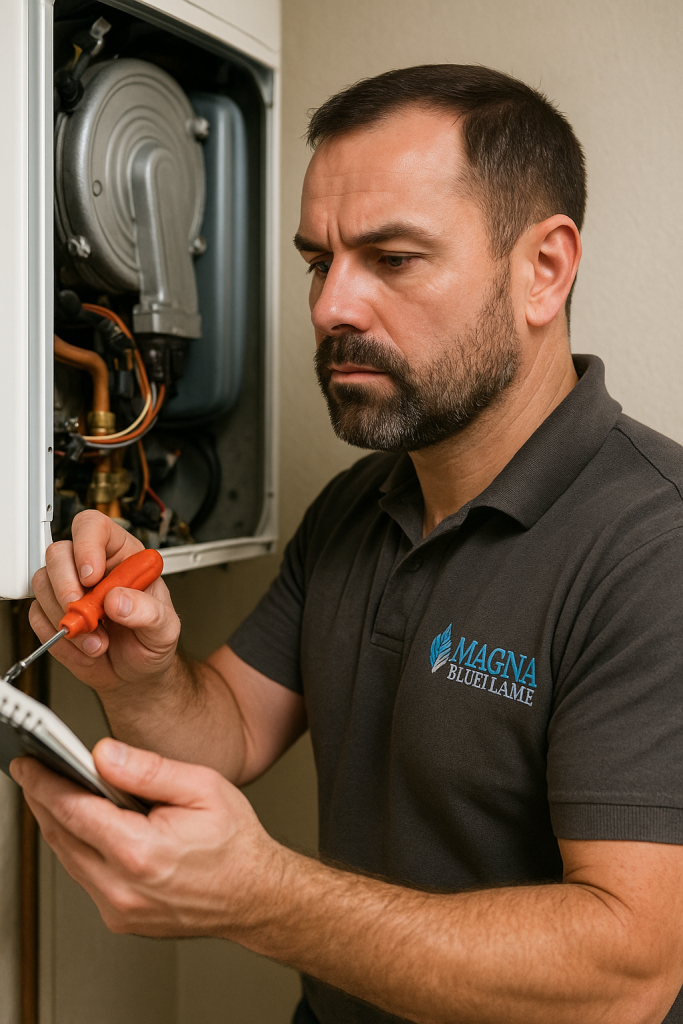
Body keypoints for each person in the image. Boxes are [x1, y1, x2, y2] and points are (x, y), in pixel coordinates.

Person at [12, 64, 683, 1024]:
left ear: (543, 269)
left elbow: (627, 978)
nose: (331, 307)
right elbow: (231, 734)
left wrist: (263, 899)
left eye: (392, 258)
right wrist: (140, 674)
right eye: (319, 261)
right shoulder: (358, 502)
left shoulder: (654, 544)